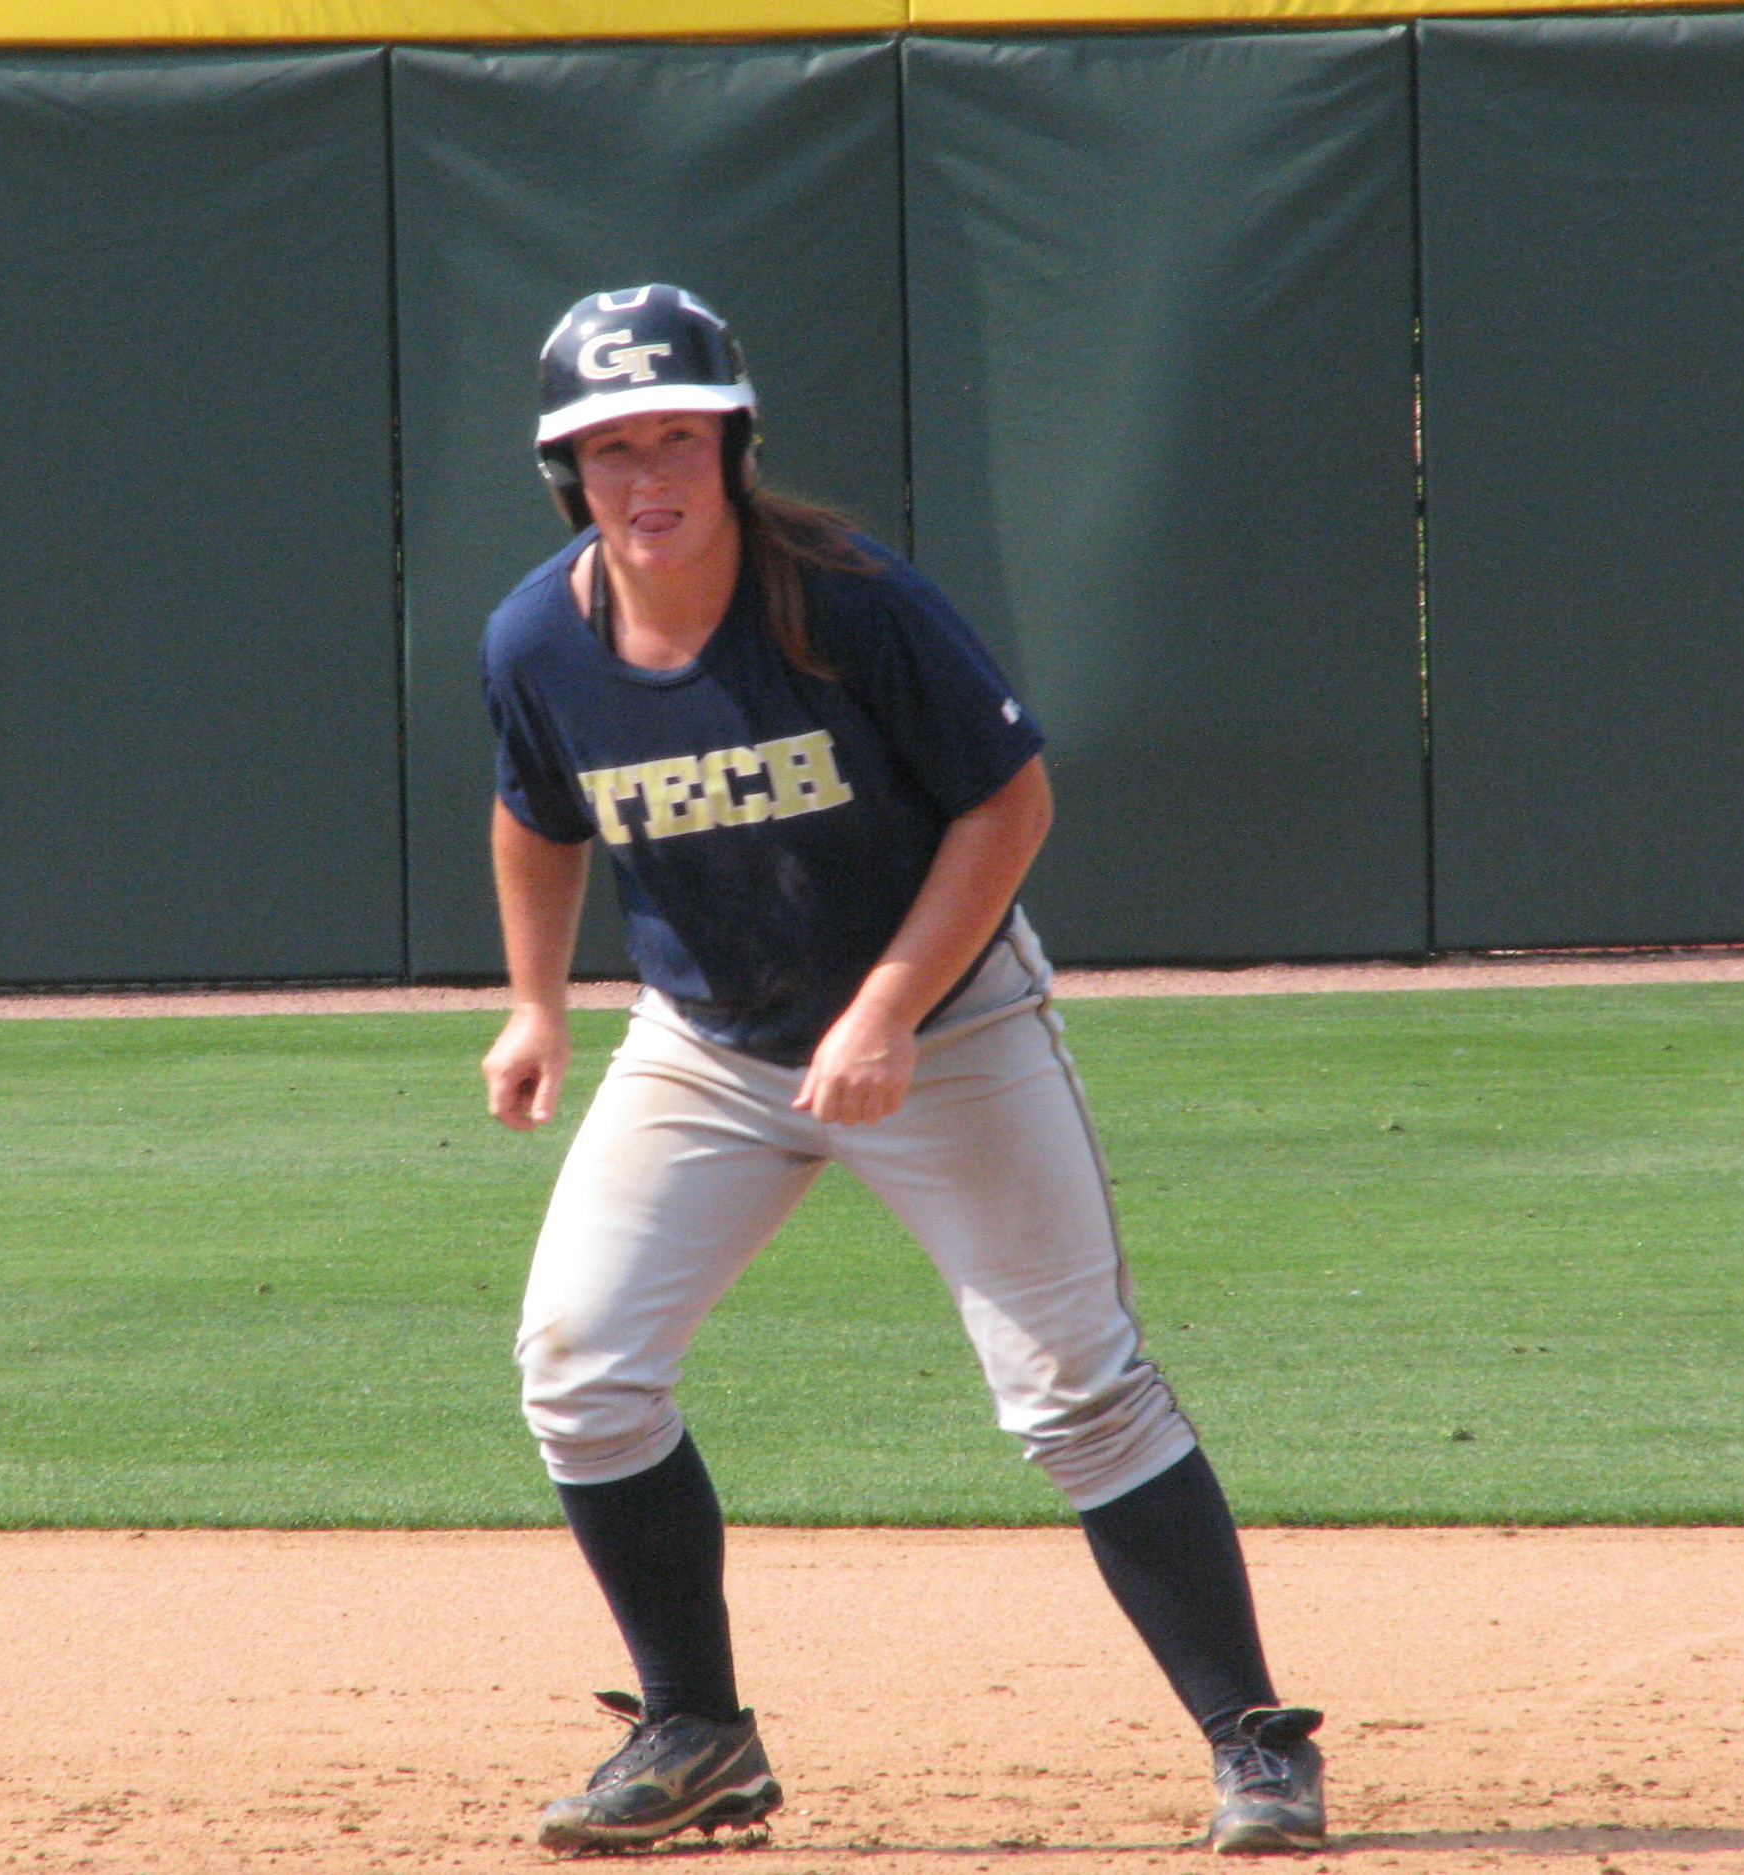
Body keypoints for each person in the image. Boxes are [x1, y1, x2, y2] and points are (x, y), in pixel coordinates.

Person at [476, 284, 1328, 1857]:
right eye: (607, 452)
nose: (644, 477)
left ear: (734, 447)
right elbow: (537, 819)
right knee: (582, 1372)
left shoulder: (847, 600)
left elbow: (1008, 807)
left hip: (952, 1032)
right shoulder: (539, 635)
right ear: (566, 475)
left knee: (1077, 1390)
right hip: (709, 1044)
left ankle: (1255, 1744)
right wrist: (538, 1007)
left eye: (676, 438)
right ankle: (699, 1733)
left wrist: (883, 1007)